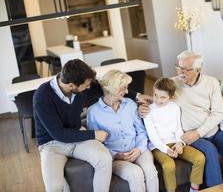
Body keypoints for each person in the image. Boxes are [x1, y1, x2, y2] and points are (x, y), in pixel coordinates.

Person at [139, 50, 223, 187]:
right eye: (178, 67)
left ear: (198, 69)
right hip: (189, 135)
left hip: (211, 131)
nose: (180, 72)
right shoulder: (173, 84)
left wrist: (199, 132)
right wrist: (141, 106)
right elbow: (158, 100)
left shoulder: (212, 82)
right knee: (210, 152)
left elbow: (218, 113)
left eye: (186, 69)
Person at [33, 59, 112, 192]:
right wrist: (94, 134)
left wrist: (136, 96)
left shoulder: (82, 83)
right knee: (54, 187)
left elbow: (107, 90)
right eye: (86, 86)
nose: (89, 87)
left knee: (104, 159)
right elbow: (59, 134)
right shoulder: (42, 96)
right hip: (51, 144)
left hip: (77, 136)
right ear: (71, 86)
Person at [87, 70, 159, 192]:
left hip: (138, 148)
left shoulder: (130, 104)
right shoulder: (93, 112)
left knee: (150, 171)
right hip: (115, 158)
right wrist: (115, 155)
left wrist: (139, 149)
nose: (126, 92)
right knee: (135, 174)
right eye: (123, 88)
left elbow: (141, 132)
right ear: (112, 89)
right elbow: (96, 145)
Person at [144, 77, 205, 192]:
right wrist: (166, 149)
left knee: (199, 158)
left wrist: (180, 143)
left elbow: (178, 128)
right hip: (158, 146)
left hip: (175, 142)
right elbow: (153, 136)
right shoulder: (149, 111)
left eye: (163, 97)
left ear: (171, 97)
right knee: (168, 165)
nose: (158, 100)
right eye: (155, 95)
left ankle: (194, 189)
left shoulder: (175, 108)